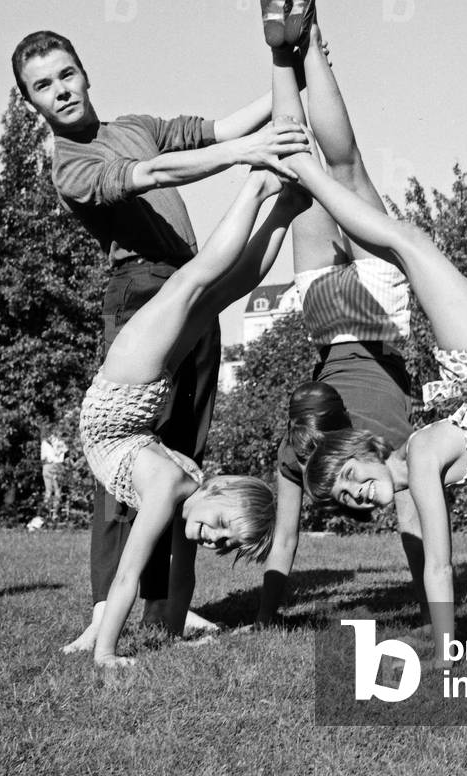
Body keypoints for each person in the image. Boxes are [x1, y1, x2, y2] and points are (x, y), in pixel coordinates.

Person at [11, 30, 308, 651]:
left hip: (189, 272)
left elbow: (221, 128)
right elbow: (154, 172)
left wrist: (290, 74)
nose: (60, 91)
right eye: (43, 87)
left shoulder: (138, 123)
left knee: (183, 455)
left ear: (85, 73)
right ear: (31, 104)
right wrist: (251, 159)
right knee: (135, 475)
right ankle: (104, 609)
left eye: (66, 75)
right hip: (142, 284)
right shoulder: (70, 161)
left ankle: (168, 608)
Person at [287, 35, 467, 666]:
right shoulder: (419, 465)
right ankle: (309, 60)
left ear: (366, 451)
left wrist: (441, 652)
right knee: (383, 215)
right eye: (350, 498)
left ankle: (310, 64)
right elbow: (431, 557)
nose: (358, 494)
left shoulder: (420, 459)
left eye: (353, 480)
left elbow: (437, 568)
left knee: (393, 227)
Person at [79, 166, 310, 666]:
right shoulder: (170, 491)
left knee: (220, 292)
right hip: (123, 396)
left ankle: (287, 209)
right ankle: (258, 188)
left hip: (136, 404)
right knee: (199, 281)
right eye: (222, 525)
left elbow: (183, 577)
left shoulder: (192, 498)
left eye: (224, 542)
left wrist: (176, 619)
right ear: (220, 490)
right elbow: (127, 575)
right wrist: (106, 652)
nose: (213, 538)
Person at [254, 0, 425, 626]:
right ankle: (291, 48)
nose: (362, 502)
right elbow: (290, 541)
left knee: (332, 165)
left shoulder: (387, 457)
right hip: (326, 313)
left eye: (351, 504)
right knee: (320, 164)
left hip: (366, 314)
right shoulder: (314, 448)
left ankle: (291, 45)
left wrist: (271, 614)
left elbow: (285, 541)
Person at [40, 432, 68, 519]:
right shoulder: (60, 442)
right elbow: (65, 452)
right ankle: (54, 514)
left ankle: (45, 515)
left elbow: (43, 457)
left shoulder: (44, 443)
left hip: (47, 466)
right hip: (56, 465)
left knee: (48, 491)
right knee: (57, 491)